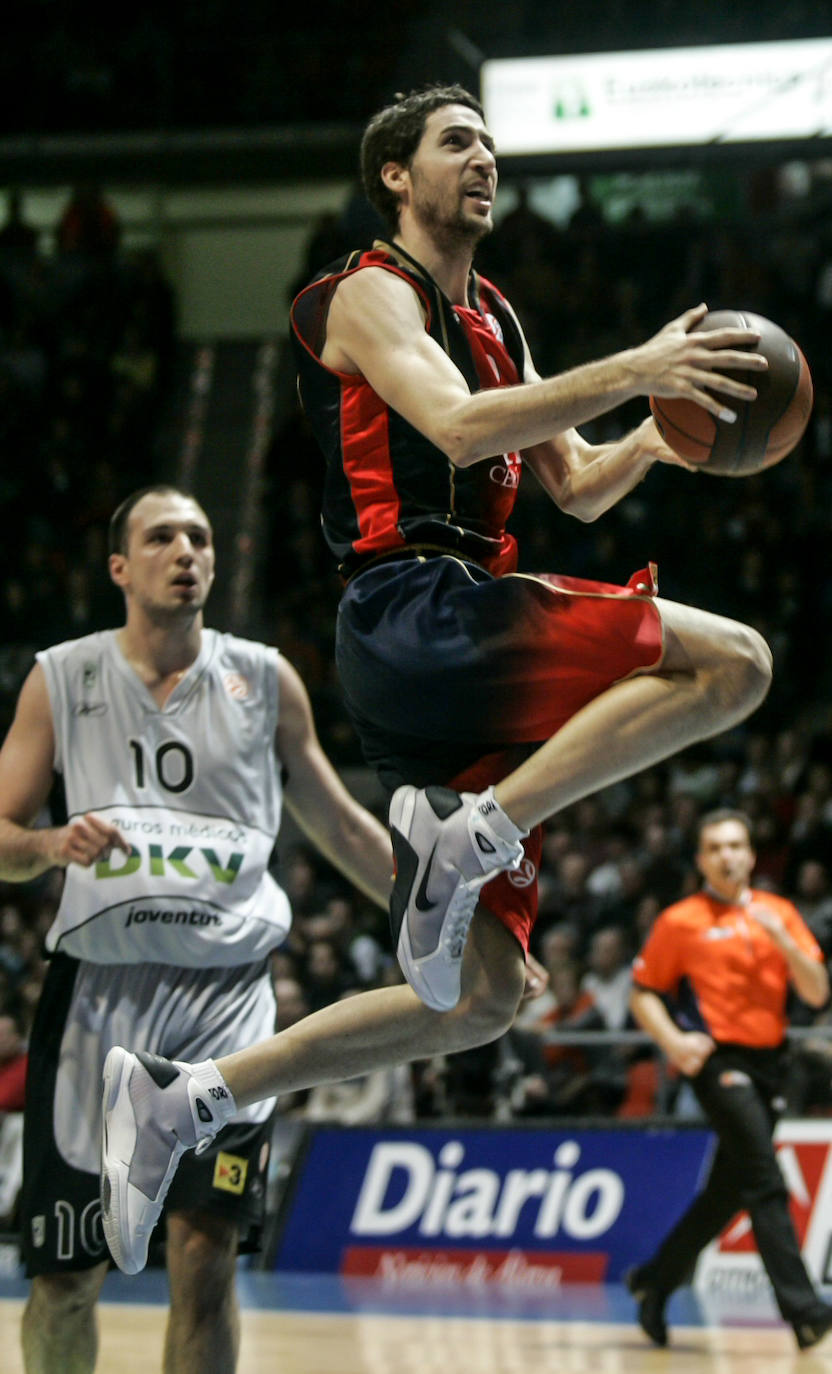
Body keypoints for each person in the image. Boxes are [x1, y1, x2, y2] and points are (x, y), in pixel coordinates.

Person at [99, 82, 773, 1272]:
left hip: (453, 648)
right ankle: (483, 828)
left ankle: (187, 1095)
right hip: (415, 609)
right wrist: (640, 358)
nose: (485, 159)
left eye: (490, 144)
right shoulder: (368, 291)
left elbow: (568, 482)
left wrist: (659, 438)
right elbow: (461, 429)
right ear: (396, 178)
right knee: (736, 664)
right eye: (457, 141)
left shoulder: (500, 314)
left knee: (481, 999)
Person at [0, 484, 394, 1374]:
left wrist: (446, 918)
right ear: (119, 566)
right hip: (100, 996)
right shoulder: (62, 675)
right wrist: (51, 842)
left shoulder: (264, 678)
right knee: (68, 1276)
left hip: (227, 1005)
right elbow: (2, 838)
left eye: (201, 538)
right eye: (163, 537)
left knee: (206, 1258)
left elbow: (338, 825)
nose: (187, 552)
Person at [625, 809, 832, 1351]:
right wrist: (675, 1042)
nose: (727, 856)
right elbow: (643, 993)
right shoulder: (680, 920)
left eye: (735, 845)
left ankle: (654, 1283)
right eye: (714, 847)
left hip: (770, 1061)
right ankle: (803, 1311)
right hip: (718, 1062)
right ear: (702, 859)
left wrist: (785, 940)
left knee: (727, 1192)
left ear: (752, 854)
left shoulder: (780, 912)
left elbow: (818, 992)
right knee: (764, 1178)